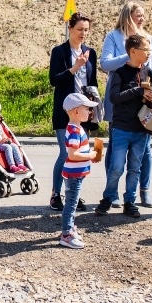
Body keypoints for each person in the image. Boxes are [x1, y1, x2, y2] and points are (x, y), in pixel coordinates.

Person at [100, 1, 152, 208]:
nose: (142, 19)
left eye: (144, 15)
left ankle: (143, 191)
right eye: (138, 15)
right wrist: (130, 56)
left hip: (145, 101)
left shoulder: (149, 39)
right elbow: (105, 63)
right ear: (127, 15)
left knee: (144, 152)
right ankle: (112, 194)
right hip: (122, 103)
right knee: (116, 153)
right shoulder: (113, 36)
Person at [95, 34, 152, 218]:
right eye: (146, 50)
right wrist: (138, 91)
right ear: (133, 51)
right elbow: (114, 98)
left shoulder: (148, 73)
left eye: (149, 50)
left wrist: (149, 99)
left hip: (141, 130)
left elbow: (150, 100)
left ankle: (130, 202)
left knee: (135, 168)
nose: (148, 53)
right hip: (121, 128)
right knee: (117, 167)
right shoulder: (119, 73)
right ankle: (108, 198)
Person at [49, 12, 97, 212]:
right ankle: (55, 195)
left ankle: (74, 195)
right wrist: (75, 67)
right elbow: (54, 80)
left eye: (86, 30)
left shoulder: (90, 52)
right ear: (70, 29)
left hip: (84, 112)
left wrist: (94, 106)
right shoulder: (59, 52)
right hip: (65, 112)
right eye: (79, 29)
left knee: (82, 153)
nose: (83, 33)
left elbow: (92, 82)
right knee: (66, 153)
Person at [59, 93, 99, 249]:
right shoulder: (74, 130)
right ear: (76, 111)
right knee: (71, 204)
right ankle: (66, 235)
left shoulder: (76, 128)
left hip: (75, 174)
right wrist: (91, 155)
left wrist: (90, 157)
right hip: (73, 175)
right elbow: (72, 155)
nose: (89, 112)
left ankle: (69, 229)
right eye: (87, 108)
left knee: (72, 203)